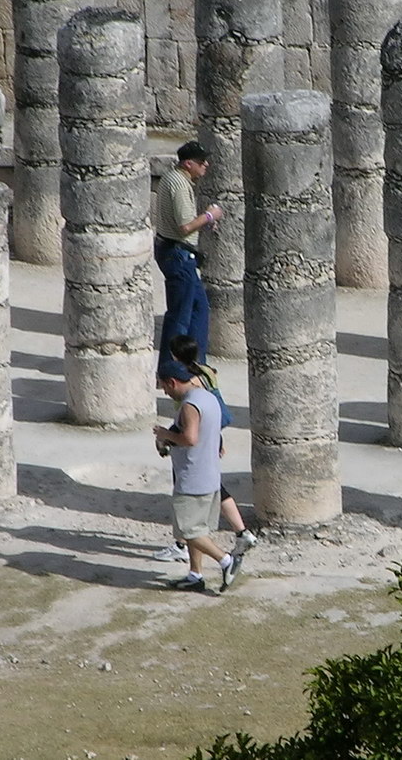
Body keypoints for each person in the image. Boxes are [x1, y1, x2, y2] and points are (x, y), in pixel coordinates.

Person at [152, 334, 257, 563]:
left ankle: (186, 545)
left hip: (195, 435)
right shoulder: (206, 372)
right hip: (210, 431)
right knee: (213, 487)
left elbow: (190, 430)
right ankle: (240, 533)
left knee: (188, 493)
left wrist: (166, 435)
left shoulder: (185, 383)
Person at [154, 358, 244, 592]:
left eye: (164, 387)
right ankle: (195, 575)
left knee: (187, 531)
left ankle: (226, 561)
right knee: (198, 529)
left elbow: (190, 439)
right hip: (209, 474)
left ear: (172, 382)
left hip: (192, 478)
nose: (164, 391)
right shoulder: (208, 397)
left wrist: (165, 435)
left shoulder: (189, 406)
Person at [153, 140, 223, 374]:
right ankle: (170, 369)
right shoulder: (180, 185)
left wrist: (203, 223)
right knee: (180, 316)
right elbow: (184, 227)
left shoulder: (173, 179)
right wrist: (210, 216)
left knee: (199, 309)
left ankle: (196, 364)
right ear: (188, 163)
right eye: (201, 161)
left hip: (177, 253)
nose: (206, 164)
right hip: (178, 255)